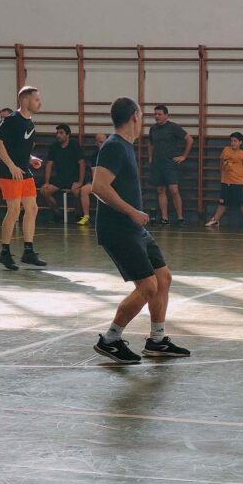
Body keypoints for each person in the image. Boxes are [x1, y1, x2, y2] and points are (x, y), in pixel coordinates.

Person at [92, 96, 191, 364]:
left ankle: (157, 341)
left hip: (134, 230)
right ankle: (110, 340)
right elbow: (99, 187)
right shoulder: (114, 146)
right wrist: (131, 212)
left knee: (163, 277)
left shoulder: (125, 146)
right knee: (148, 286)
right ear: (135, 116)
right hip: (118, 230)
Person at [0, 86, 46, 271]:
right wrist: (11, 166)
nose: (40, 103)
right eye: (36, 100)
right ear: (24, 101)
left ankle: (28, 251)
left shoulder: (29, 122)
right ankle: (5, 252)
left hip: (24, 171)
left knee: (32, 208)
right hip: (10, 172)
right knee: (14, 210)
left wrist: (31, 159)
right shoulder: (12, 120)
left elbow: (18, 147)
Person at [149, 105, 193, 225]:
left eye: (159, 114)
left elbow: (189, 139)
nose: (157, 116)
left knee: (174, 190)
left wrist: (184, 156)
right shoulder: (153, 129)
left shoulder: (173, 127)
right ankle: (165, 218)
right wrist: (150, 157)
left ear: (166, 115)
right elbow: (151, 143)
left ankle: (180, 218)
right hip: (157, 164)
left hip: (169, 163)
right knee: (160, 190)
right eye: (155, 114)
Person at [205, 132, 243, 228]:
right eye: (231, 141)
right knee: (222, 202)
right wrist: (222, 175)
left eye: (235, 141)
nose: (233, 143)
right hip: (225, 181)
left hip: (238, 182)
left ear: (240, 142)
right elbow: (221, 163)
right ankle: (215, 219)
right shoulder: (226, 150)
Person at [40, 124, 85, 217]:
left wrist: (80, 182)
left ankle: (78, 214)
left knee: (77, 192)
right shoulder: (54, 146)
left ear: (67, 135)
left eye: (61, 133)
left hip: (74, 178)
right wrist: (47, 182)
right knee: (44, 190)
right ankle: (57, 213)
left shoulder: (74, 145)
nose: (58, 135)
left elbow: (82, 163)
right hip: (60, 178)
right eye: (57, 133)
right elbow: (49, 164)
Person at [77, 132, 108, 226]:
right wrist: (97, 185)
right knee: (84, 189)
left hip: (111, 182)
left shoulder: (113, 154)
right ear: (96, 143)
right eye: (100, 142)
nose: (103, 144)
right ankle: (86, 216)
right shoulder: (95, 156)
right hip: (98, 181)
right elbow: (94, 173)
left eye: (104, 142)